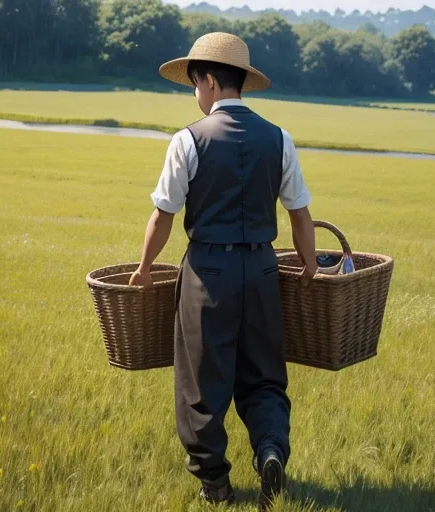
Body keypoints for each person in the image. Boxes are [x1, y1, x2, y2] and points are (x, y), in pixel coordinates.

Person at [129, 32, 317, 510]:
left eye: (195, 84)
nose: (195, 94)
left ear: (209, 81)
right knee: (264, 373)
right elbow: (299, 214)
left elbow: (163, 214)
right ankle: (271, 448)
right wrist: (312, 265)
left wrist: (145, 268)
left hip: (207, 271)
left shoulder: (187, 140)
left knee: (201, 380)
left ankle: (215, 483)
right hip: (260, 268)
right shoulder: (280, 138)